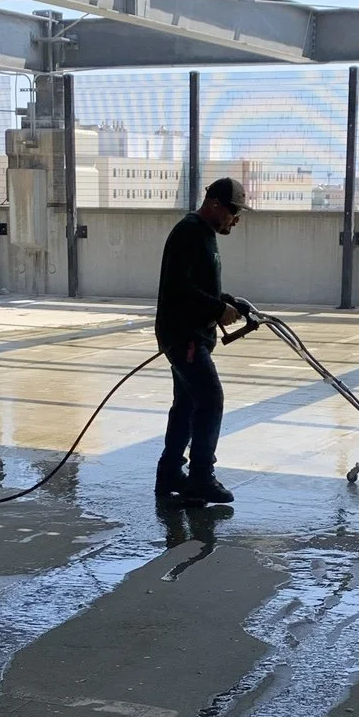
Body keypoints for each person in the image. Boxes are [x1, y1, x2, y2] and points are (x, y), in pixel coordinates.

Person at [153, 175, 251, 506]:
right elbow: (180, 289)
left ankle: (169, 474)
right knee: (211, 400)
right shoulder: (190, 231)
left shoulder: (203, 233)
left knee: (188, 404)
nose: (235, 221)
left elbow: (198, 285)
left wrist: (229, 301)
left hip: (191, 334)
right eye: (233, 213)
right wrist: (216, 307)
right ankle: (200, 477)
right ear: (213, 204)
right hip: (185, 336)